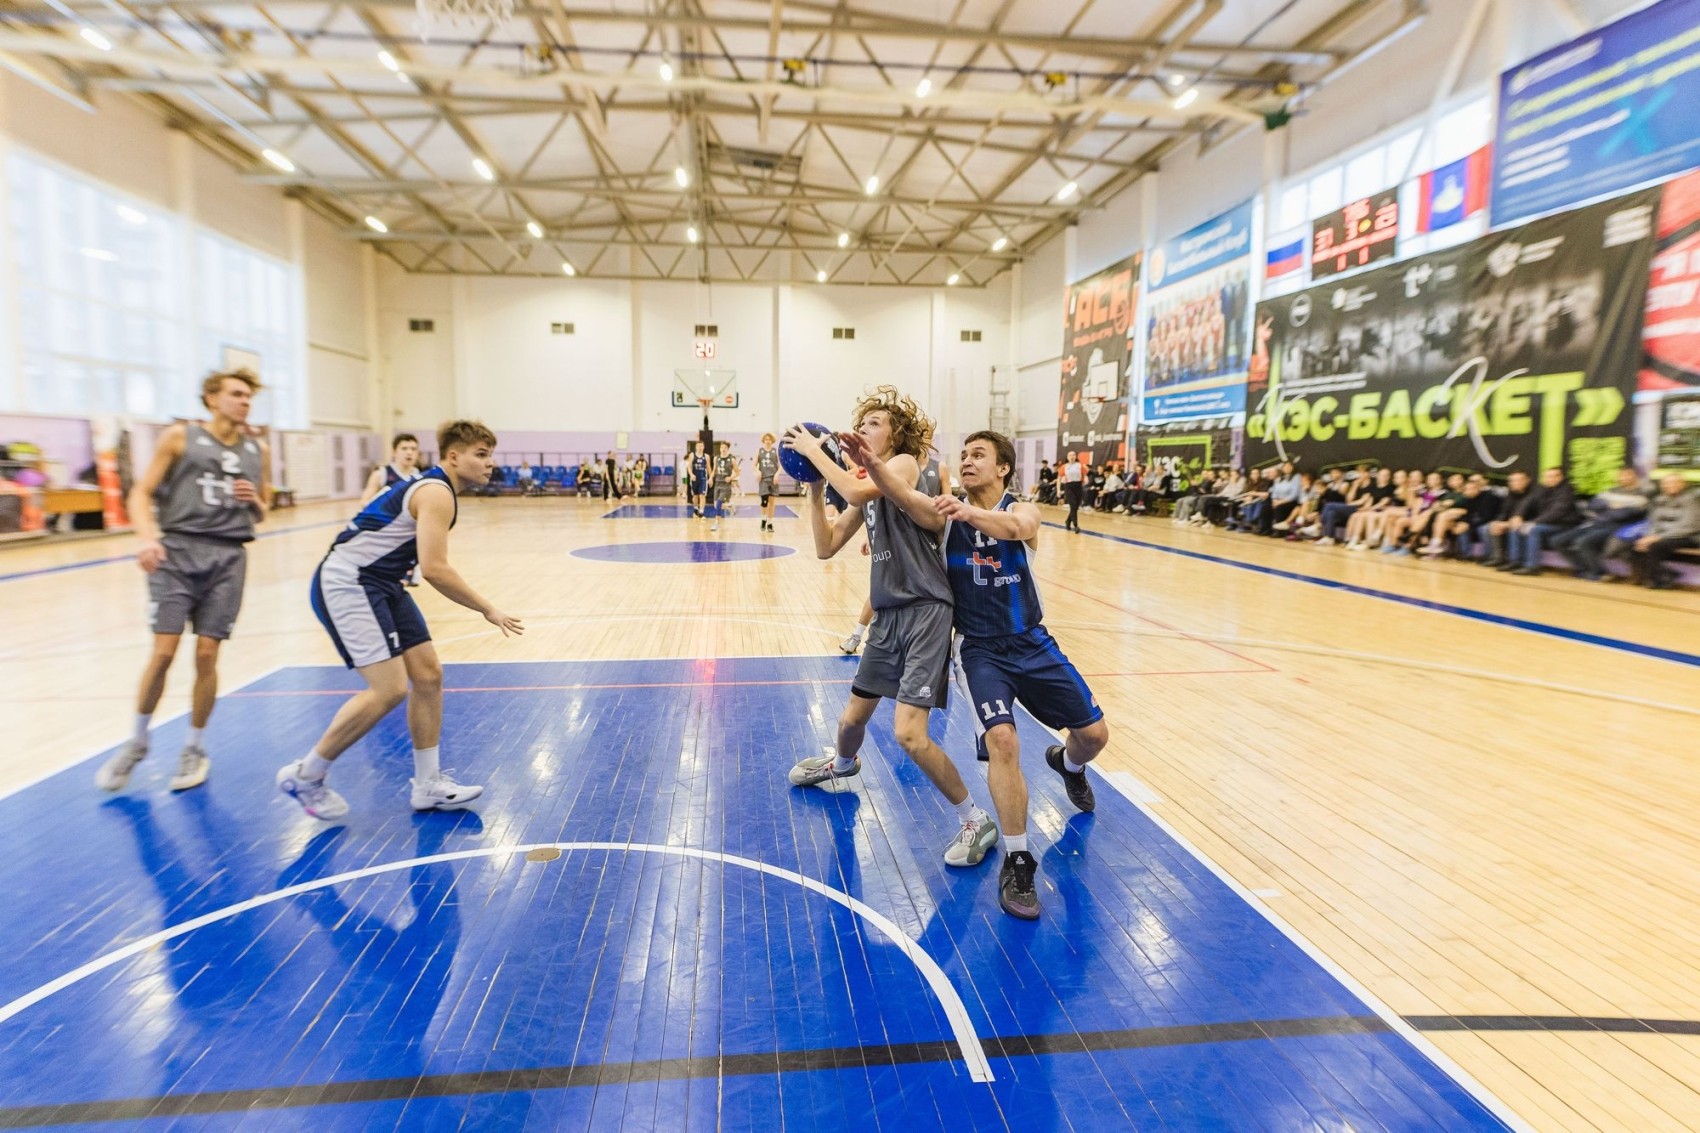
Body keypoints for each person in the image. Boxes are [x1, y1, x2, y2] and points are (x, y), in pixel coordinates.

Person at [845, 427, 1108, 919]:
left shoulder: (1021, 509)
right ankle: (1018, 860)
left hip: (1032, 642)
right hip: (979, 651)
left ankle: (1068, 765)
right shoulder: (945, 515)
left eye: (978, 455)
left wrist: (970, 513)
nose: (966, 461)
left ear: (1003, 467)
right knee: (1003, 741)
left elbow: (1018, 527)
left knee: (1094, 736)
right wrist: (874, 467)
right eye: (963, 455)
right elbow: (904, 499)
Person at [781, 388, 997, 875]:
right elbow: (826, 546)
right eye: (861, 423)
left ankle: (974, 818)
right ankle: (842, 766)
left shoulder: (902, 464)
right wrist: (814, 486)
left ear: (896, 434)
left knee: (909, 735)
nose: (863, 430)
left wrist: (815, 451)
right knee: (849, 723)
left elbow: (858, 490)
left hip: (926, 612)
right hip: (887, 615)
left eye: (874, 423)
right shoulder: (867, 486)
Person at [278, 420, 524, 820]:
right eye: (481, 454)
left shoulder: (436, 489)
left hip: (382, 582)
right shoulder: (436, 492)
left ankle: (428, 785)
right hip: (349, 580)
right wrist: (487, 608)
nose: (489, 463)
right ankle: (307, 775)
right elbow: (435, 569)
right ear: (453, 456)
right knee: (388, 689)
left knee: (428, 676)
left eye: (490, 455)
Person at [97, 370, 270, 794]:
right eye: (236, 394)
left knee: (208, 654)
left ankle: (194, 747)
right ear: (211, 399)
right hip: (177, 552)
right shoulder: (179, 437)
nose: (245, 402)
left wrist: (255, 500)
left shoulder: (257, 448)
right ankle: (137, 742)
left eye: (248, 396)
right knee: (163, 653)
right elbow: (140, 493)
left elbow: (263, 512)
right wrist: (146, 538)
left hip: (229, 556)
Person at [1553, 467, 1652, 581]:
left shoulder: (1641, 495)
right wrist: (1611, 505)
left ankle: (1600, 573)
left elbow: (1626, 514)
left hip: (1619, 527)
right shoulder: (1610, 491)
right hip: (1596, 523)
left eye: (1627, 475)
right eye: (1621, 475)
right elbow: (1593, 504)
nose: (1623, 478)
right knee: (1558, 540)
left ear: (1635, 477)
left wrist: (1609, 508)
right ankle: (1582, 569)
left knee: (1583, 542)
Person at [1615, 474, 1700, 588]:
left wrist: (1657, 537)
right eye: (1666, 483)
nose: (1670, 486)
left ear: (1682, 484)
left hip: (1687, 536)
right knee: (1634, 545)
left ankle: (1656, 580)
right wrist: (1648, 536)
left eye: (1674, 483)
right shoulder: (1659, 500)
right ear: (1662, 486)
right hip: (1661, 536)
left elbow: (1689, 526)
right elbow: (1653, 522)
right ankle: (1664, 574)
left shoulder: (1692, 500)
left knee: (1656, 546)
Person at [1502, 467, 1578, 576]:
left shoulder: (1567, 491)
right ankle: (1515, 562)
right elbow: (1528, 501)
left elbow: (1557, 513)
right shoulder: (1542, 488)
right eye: (1546, 477)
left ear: (1560, 477)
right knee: (1516, 527)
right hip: (1545, 523)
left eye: (1552, 476)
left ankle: (1532, 566)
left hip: (1564, 525)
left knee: (1534, 530)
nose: (1549, 479)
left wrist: (1535, 522)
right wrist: (1518, 515)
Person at [1479, 469, 1532, 567]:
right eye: (1512, 481)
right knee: (1488, 527)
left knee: (1514, 528)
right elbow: (1504, 512)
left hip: (1527, 522)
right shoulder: (1510, 495)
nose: (1515, 483)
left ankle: (1514, 562)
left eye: (1518, 480)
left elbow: (1522, 512)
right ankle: (1497, 557)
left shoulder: (1532, 495)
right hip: (1511, 522)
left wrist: (1506, 524)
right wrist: (1498, 522)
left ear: (1527, 480)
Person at [361, 434, 422, 504]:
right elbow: (364, 502)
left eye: (413, 449)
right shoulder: (381, 474)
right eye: (404, 448)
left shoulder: (421, 475)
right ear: (394, 452)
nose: (409, 452)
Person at [755, 434, 780, 531]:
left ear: (772, 441)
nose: (768, 441)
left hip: (773, 479)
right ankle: (763, 520)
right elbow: (753, 465)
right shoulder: (759, 451)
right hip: (764, 480)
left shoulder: (775, 451)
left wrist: (777, 474)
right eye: (766, 439)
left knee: (772, 501)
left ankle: (770, 523)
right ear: (763, 440)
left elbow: (781, 466)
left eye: (769, 439)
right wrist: (757, 471)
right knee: (764, 501)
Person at [710, 441, 736, 531]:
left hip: (726, 485)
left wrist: (731, 477)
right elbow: (714, 470)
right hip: (717, 484)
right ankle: (730, 506)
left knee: (719, 503)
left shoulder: (732, 459)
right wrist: (710, 478)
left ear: (728, 449)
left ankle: (716, 523)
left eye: (725, 448)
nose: (723, 449)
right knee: (715, 505)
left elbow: (737, 472)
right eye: (722, 447)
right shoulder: (716, 458)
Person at [1060, 450, 1085, 532]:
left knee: (1075, 507)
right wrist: (1058, 490)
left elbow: (1084, 475)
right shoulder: (1064, 466)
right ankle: (1075, 525)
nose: (1072, 456)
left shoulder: (1080, 465)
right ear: (1067, 457)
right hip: (1069, 486)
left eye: (1073, 455)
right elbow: (1059, 478)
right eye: (1070, 455)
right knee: (1073, 505)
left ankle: (1068, 521)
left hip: (1078, 486)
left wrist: (1085, 480)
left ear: (1075, 457)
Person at [687, 441, 711, 518]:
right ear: (696, 447)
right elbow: (689, 467)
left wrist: (711, 478)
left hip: (703, 478)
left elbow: (708, 468)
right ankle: (695, 509)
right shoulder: (692, 455)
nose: (700, 448)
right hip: (694, 478)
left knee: (702, 495)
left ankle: (701, 512)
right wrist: (691, 474)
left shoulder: (706, 456)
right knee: (695, 495)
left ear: (703, 447)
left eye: (701, 446)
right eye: (698, 446)